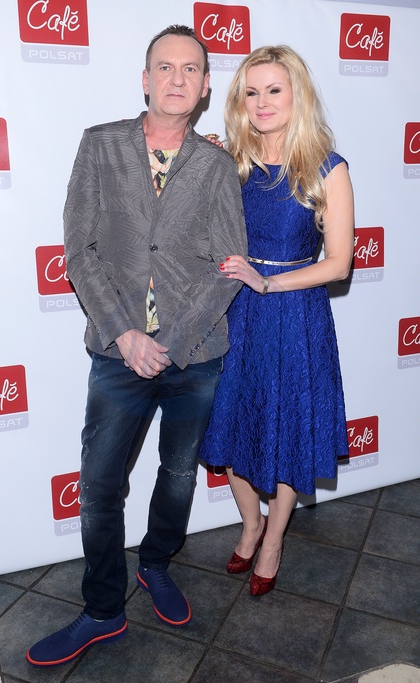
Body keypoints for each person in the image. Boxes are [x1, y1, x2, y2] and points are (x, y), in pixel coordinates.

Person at [26, 25, 247, 666]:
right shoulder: (99, 145)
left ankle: (156, 563)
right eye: (165, 67)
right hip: (116, 351)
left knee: (178, 476)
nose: (177, 78)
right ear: (145, 79)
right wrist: (125, 334)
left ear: (205, 87)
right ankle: (102, 609)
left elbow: (229, 265)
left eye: (190, 69)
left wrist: (170, 343)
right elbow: (80, 249)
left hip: (194, 355)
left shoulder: (216, 165)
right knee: (99, 486)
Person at [199, 45, 354, 597]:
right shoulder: (229, 163)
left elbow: (338, 264)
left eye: (274, 90)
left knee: (287, 428)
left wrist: (268, 282)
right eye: (251, 92)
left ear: (297, 95)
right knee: (226, 422)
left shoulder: (327, 168)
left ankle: (274, 540)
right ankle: (251, 524)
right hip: (235, 311)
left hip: (294, 314)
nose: (262, 102)